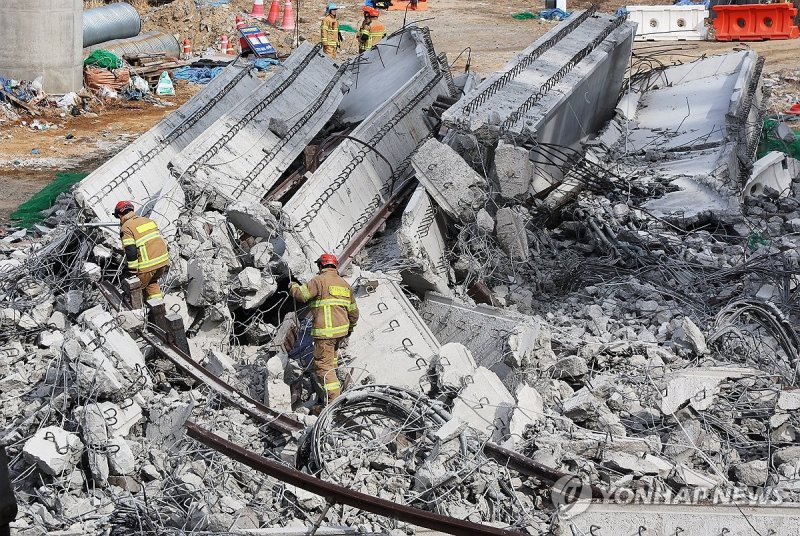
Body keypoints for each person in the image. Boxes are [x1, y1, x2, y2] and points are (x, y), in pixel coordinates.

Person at [289, 253, 359, 404]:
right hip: (340, 333)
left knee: (323, 367)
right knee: (331, 363)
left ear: (321, 265)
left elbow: (301, 295)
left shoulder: (318, 280)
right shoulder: (344, 284)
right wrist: (350, 329)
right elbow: (354, 312)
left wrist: (293, 286)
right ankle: (331, 392)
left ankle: (334, 402)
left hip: (325, 335)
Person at [114, 200, 170, 303]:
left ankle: (136, 315)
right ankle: (158, 311)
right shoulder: (147, 220)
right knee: (152, 283)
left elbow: (130, 251)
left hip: (148, 265)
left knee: (133, 290)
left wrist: (133, 272)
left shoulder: (126, 227)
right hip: (163, 262)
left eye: (118, 217)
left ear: (120, 215)